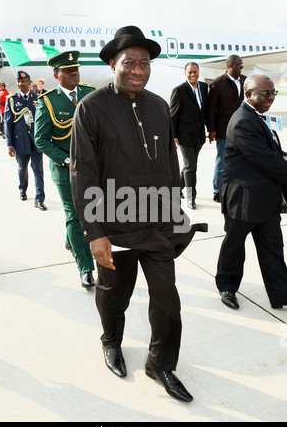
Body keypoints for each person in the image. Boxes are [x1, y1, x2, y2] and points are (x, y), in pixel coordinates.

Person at [70, 26, 207, 402]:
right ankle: (111, 340)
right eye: (129, 62)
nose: (138, 70)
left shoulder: (160, 105)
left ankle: (161, 363)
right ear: (113, 63)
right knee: (114, 295)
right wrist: (94, 232)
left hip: (158, 224)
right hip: (114, 225)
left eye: (144, 63)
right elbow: (83, 174)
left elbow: (166, 166)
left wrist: (176, 213)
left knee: (167, 299)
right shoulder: (91, 109)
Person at [215, 74, 287, 310]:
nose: (270, 98)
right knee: (234, 248)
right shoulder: (243, 121)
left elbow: (271, 150)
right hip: (243, 200)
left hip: (266, 200)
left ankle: (281, 295)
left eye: (273, 93)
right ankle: (227, 286)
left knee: (273, 249)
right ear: (248, 95)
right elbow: (266, 159)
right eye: (265, 93)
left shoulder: (256, 116)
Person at [34, 51, 95, 291]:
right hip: (65, 169)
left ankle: (72, 240)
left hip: (91, 168)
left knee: (90, 213)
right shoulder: (47, 101)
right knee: (75, 216)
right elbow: (41, 140)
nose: (74, 73)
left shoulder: (90, 94)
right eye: (68, 71)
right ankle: (86, 268)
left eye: (76, 69)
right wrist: (67, 160)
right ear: (56, 75)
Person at [4, 71, 46, 210]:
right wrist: (9, 145)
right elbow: (8, 123)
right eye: (19, 82)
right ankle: (22, 189)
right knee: (22, 168)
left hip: (37, 141)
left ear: (29, 83)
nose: (21, 84)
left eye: (24, 81)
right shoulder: (12, 100)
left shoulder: (38, 98)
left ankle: (39, 198)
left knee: (38, 170)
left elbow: (44, 120)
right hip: (20, 142)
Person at [207, 55, 246, 202]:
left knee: (243, 161)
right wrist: (211, 129)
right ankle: (218, 190)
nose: (241, 68)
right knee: (222, 161)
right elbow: (211, 110)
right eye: (239, 66)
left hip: (243, 130)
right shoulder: (217, 84)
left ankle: (238, 188)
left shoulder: (245, 81)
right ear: (230, 65)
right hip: (224, 130)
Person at [170, 62, 208, 209]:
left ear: (199, 72)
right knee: (190, 166)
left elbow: (204, 111)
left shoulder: (204, 88)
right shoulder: (179, 91)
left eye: (195, 72)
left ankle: (175, 190)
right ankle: (191, 198)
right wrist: (173, 136)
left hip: (198, 136)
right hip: (184, 136)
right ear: (185, 73)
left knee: (189, 166)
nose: (193, 75)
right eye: (190, 72)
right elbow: (172, 115)